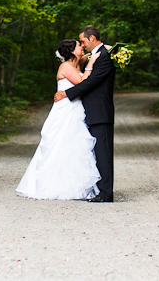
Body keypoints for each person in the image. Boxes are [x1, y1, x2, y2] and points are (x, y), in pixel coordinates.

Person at [16, 39, 102, 200]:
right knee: (61, 144)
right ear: (71, 51)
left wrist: (99, 51)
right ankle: (54, 184)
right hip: (65, 111)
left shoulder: (76, 62)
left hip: (75, 109)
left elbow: (91, 53)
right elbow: (82, 83)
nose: (82, 46)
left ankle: (75, 184)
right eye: (78, 45)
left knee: (75, 146)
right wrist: (91, 64)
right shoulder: (66, 66)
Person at [53, 25, 116, 203]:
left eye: (83, 41)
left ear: (92, 39)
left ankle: (105, 194)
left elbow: (91, 82)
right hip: (91, 111)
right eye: (79, 43)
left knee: (103, 152)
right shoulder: (97, 55)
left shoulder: (103, 56)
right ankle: (100, 190)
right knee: (96, 152)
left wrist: (66, 93)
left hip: (100, 111)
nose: (82, 44)